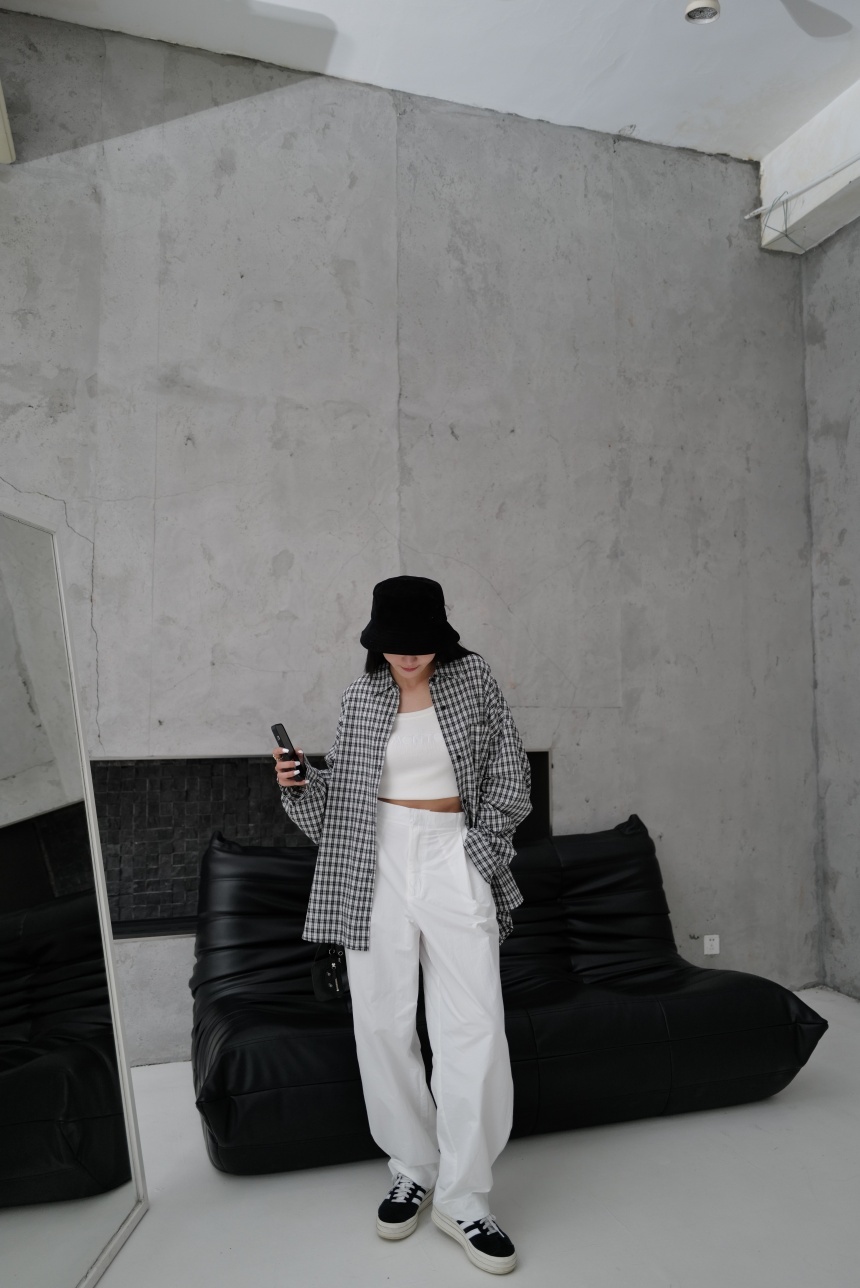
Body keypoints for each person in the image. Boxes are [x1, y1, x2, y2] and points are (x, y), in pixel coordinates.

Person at [273, 575, 532, 1275]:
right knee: (383, 1023)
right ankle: (413, 1167)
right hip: (375, 858)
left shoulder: (474, 680)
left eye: (421, 643)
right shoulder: (360, 697)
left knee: (474, 1026)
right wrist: (300, 783)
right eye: (395, 644)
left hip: (453, 852)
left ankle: (464, 1196)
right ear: (376, 641)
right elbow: (341, 803)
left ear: (442, 638)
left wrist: (477, 853)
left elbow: (511, 777)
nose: (408, 655)